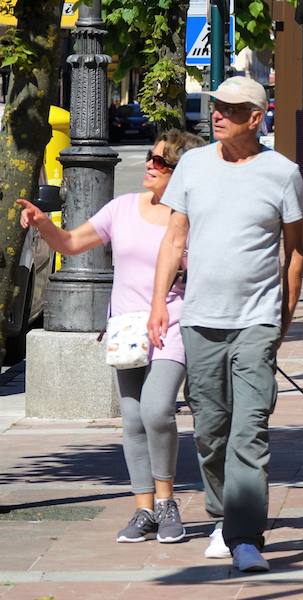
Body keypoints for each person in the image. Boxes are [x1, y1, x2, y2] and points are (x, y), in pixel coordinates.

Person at [148, 76, 303, 572]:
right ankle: (222, 514)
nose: (217, 114)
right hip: (199, 320)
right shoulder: (192, 165)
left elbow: (295, 251)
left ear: (256, 118)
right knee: (211, 431)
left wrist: (283, 318)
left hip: (256, 320)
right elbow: (174, 240)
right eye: (216, 106)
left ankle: (243, 535)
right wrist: (157, 305)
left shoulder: (283, 173)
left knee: (249, 430)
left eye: (231, 109)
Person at [17, 129, 205, 544]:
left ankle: (167, 500)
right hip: (126, 327)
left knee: (158, 410)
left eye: (160, 162)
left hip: (172, 323)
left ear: (183, 172)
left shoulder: (193, 218)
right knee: (133, 418)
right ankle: (144, 509)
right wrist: (44, 223)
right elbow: (71, 243)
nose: (150, 166)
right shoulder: (122, 209)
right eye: (152, 159)